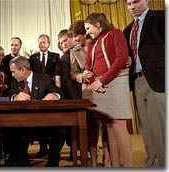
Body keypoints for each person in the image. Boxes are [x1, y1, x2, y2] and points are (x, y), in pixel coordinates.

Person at [83, 13, 133, 167]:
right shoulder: (91, 43)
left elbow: (121, 58)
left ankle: (129, 166)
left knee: (119, 124)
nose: (87, 32)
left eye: (88, 28)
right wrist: (93, 81)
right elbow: (87, 68)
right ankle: (116, 166)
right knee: (108, 126)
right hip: (98, 85)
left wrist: (102, 80)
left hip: (117, 81)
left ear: (98, 24)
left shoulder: (115, 34)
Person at [123, 0, 165, 167]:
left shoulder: (160, 18)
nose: (132, 7)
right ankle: (152, 163)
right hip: (137, 81)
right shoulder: (127, 30)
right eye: (128, 4)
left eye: (135, 2)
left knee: (161, 127)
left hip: (158, 79)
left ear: (146, 1)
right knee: (146, 128)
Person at [7, 56, 66, 167]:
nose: (12, 75)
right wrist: (15, 98)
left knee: (61, 130)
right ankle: (23, 163)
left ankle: (52, 163)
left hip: (44, 122)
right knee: (10, 132)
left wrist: (54, 95)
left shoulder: (45, 79)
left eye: (14, 72)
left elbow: (59, 94)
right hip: (22, 124)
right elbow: (9, 96)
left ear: (23, 70)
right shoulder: (14, 83)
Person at [69, 20, 110, 167]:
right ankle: (93, 161)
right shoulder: (74, 52)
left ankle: (108, 158)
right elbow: (74, 73)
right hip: (87, 92)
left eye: (76, 37)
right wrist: (82, 77)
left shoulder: (98, 44)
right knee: (91, 127)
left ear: (83, 34)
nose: (74, 41)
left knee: (107, 125)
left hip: (105, 88)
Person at [29, 34, 61, 158]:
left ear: (49, 44)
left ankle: (53, 151)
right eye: (40, 42)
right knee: (40, 120)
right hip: (37, 92)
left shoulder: (55, 56)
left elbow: (57, 73)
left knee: (52, 119)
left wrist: (56, 90)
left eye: (44, 42)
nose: (42, 44)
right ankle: (43, 148)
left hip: (50, 90)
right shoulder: (32, 57)